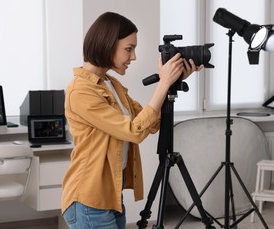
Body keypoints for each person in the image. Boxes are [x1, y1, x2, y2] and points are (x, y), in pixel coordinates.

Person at [61, 12, 203, 229]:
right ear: (107, 44)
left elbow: (151, 122)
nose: (134, 56)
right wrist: (163, 84)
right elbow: (134, 131)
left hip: (111, 196)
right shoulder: (81, 91)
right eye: (129, 48)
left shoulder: (111, 84)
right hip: (89, 200)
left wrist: (171, 83)